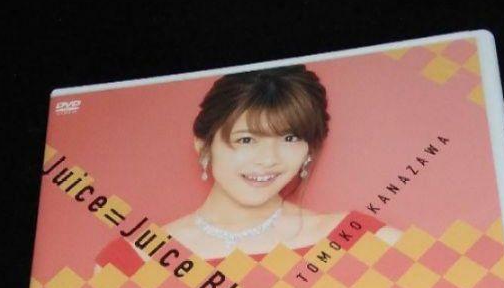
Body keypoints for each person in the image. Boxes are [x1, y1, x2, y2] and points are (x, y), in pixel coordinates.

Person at [96, 64, 401, 267]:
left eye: (290, 138)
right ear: (204, 147)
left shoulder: (356, 240)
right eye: (246, 140)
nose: (268, 159)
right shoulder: (135, 260)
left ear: (309, 149)